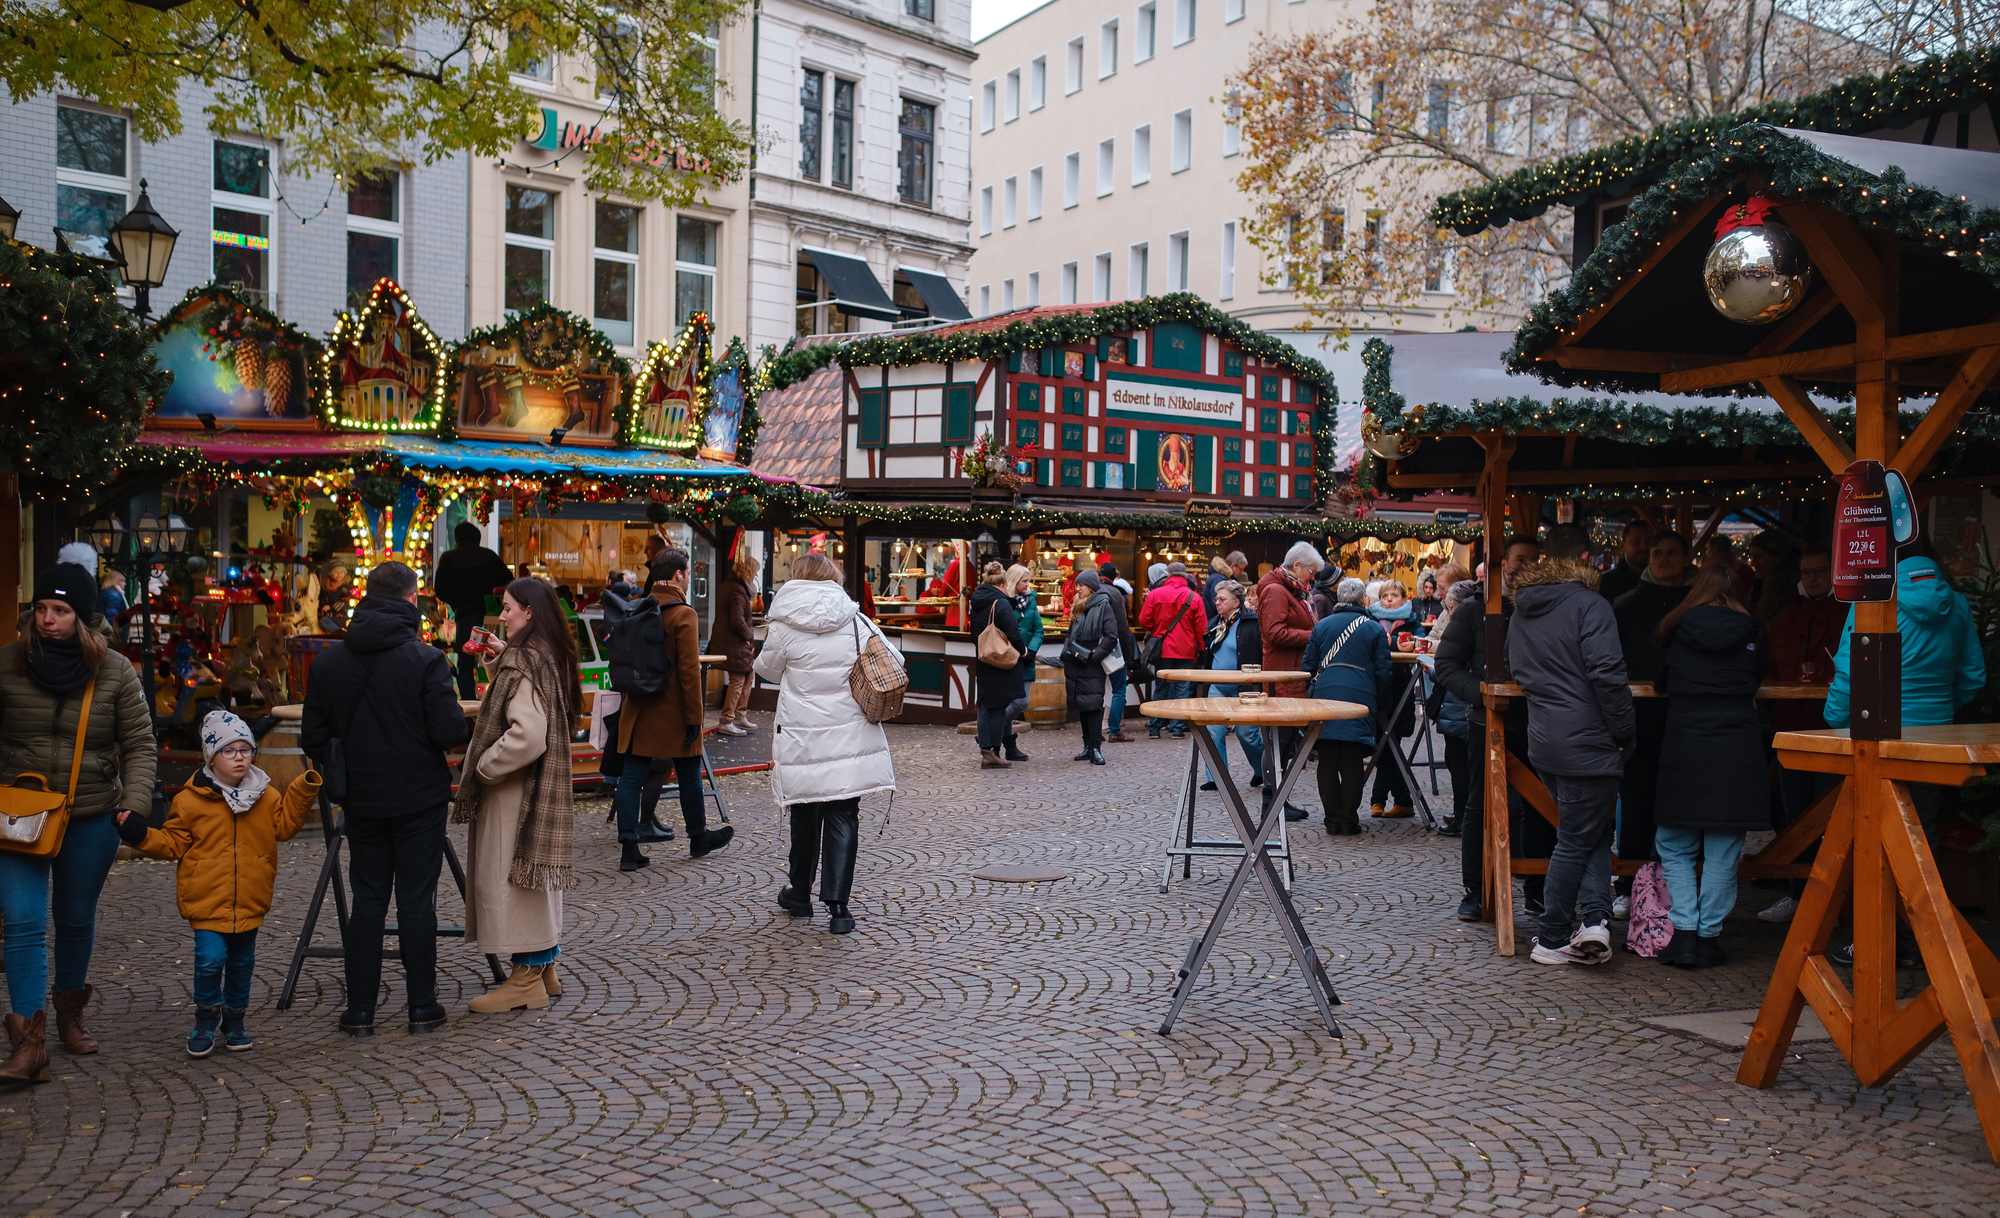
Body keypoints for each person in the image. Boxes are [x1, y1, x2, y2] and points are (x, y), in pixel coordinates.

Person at [0, 563, 156, 1085]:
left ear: (83, 618)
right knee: (22, 921)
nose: (47, 619)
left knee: (73, 918)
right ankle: (27, 1043)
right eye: (42, 609)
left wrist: (134, 806)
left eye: (61, 611)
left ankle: (68, 1012)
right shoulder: (7, 665)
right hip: (19, 816)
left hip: (90, 815)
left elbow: (139, 745)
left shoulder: (114, 671)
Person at [300, 561, 470, 1037]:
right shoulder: (426, 660)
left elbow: (313, 736)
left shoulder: (329, 663)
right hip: (419, 798)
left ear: (365, 597)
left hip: (362, 799)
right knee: (417, 900)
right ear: (412, 601)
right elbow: (450, 732)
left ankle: (360, 1011)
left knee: (368, 900)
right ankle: (422, 1006)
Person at [114, 711, 320, 1054]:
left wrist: (302, 788)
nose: (239, 757)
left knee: (242, 964)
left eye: (245, 749)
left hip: (251, 899)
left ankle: (235, 1019)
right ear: (211, 756)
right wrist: (139, 835)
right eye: (229, 750)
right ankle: (206, 1016)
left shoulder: (265, 795)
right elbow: (172, 844)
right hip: (207, 899)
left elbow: (284, 827)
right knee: (210, 960)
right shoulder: (190, 801)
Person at [1823, 542, 1986, 968]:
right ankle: (1922, 944)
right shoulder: (1958, 605)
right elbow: (1972, 677)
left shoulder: (1874, 601)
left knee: (1872, 836)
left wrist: (1832, 720)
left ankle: (1879, 941)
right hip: (1935, 739)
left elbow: (1851, 675)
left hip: (1878, 735)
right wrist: (1938, 712)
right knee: (1920, 836)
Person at [1507, 524, 1635, 967]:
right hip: (1588, 740)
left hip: (1546, 738)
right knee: (1576, 839)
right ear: (1585, 559)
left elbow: (1518, 669)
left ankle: (1596, 922)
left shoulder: (1525, 609)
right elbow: (1608, 674)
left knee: (1591, 831)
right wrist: (1623, 733)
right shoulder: (1590, 604)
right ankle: (1552, 935)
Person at [451, 578, 579, 1012]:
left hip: (515, 792)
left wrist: (485, 765)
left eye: (507, 609)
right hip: (537, 788)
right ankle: (544, 967)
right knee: (531, 879)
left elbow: (527, 735)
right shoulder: (545, 652)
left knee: (514, 880)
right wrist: (498, 657)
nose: (501, 616)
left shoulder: (526, 658)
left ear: (529, 611)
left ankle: (526, 978)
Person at [754, 552, 897, 934]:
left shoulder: (783, 624)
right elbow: (893, 659)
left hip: (804, 737)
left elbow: (765, 670)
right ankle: (839, 908)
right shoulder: (855, 619)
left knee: (805, 813)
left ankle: (799, 894)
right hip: (849, 734)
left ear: (798, 578)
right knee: (843, 813)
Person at [1649, 566, 1768, 967]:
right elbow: (1757, 678)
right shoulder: (1752, 629)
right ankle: (1708, 937)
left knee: (1674, 842)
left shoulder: (1674, 626)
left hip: (1686, 740)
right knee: (1724, 845)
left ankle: (1684, 934)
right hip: (1737, 743)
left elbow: (1661, 680)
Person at [611, 547, 731, 871]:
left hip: (637, 708)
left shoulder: (638, 607)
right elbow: (690, 672)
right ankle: (698, 836)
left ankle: (628, 848)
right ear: (679, 575)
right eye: (688, 573)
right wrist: (696, 717)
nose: (689, 579)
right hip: (673, 710)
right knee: (690, 773)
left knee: (631, 776)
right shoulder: (684, 614)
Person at [1433, 574, 1535, 922]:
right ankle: (1476, 889)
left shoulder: (1551, 607)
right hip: (1487, 721)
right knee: (1480, 803)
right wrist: (1485, 696)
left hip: (1543, 720)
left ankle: (1536, 886)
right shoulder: (1474, 610)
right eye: (1516, 561)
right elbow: (1446, 665)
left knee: (1540, 803)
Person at [1758, 545, 1844, 922]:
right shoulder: (1785, 616)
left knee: (1831, 814)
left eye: (1820, 570)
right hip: (1791, 726)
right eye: (1807, 571)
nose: (1812, 577)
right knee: (1796, 815)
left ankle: (1833, 897)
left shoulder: (1851, 612)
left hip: (1833, 729)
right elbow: (1770, 667)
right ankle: (1797, 893)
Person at [1610, 529, 1692, 914]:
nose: (1662, 559)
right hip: (1639, 718)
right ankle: (1628, 883)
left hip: (1688, 719)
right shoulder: (1626, 607)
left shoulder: (1700, 605)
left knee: (1684, 804)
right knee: (1637, 803)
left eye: (1671, 553)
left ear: (1686, 557)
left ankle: (1679, 886)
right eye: (1656, 552)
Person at [1301, 578, 1391, 836]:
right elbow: (1383, 672)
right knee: (1352, 760)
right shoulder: (1373, 629)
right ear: (1365, 601)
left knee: (1327, 758)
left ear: (1339, 599)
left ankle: (1332, 820)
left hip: (1325, 696)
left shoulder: (1322, 626)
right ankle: (1349, 821)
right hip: (1359, 697)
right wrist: (1379, 702)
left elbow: (1308, 667)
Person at [1258, 542, 1325, 822]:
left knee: (1284, 745)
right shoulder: (1276, 591)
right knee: (1278, 742)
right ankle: (1271, 804)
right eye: (1312, 571)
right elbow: (1274, 633)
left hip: (1290, 675)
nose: (1313, 578)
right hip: (1281, 677)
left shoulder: (1292, 590)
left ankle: (1278, 801)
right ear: (1296, 566)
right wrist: (1314, 635)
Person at [432, 521, 514, 699]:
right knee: (496, 656)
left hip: (465, 615)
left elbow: (440, 589)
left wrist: (456, 600)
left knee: (466, 663)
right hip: (492, 616)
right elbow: (509, 580)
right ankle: (498, 700)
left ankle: (469, 704)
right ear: (477, 538)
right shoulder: (489, 556)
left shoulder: (448, 558)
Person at [1199, 580, 1263, 792]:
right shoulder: (1216, 622)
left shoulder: (1251, 622)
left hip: (1244, 687)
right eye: (1216, 599)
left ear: (1236, 602)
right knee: (1214, 732)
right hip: (1217, 686)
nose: (1217, 602)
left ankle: (1263, 769)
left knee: (1247, 734)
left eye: (1222, 599)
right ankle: (1217, 777)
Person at [1137, 559, 1207, 740]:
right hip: (1186, 650)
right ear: (1185, 576)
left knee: (1160, 688)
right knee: (1182, 690)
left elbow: (1144, 620)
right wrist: (1201, 648)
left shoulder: (1155, 594)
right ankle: (1177, 728)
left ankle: (1154, 727)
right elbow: (1201, 628)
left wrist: (1157, 627)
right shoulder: (1194, 597)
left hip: (1162, 649)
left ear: (1168, 576)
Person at [1367, 579, 1418, 818]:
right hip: (1376, 686)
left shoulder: (1412, 620)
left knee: (1388, 740)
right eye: (1385, 595)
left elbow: (1419, 645)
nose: (1389, 599)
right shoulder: (1369, 620)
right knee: (1384, 741)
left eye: (1394, 595)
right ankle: (1394, 799)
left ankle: (1387, 800)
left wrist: (1400, 643)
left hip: (1400, 687)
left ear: (1404, 598)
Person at [968, 562, 1024, 770]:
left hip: (983, 658)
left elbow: (974, 632)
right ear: (1002, 584)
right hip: (1000, 660)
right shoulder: (1001, 603)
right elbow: (1013, 632)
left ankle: (986, 751)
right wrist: (1022, 650)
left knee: (984, 705)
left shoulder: (976, 601)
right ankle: (994, 752)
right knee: (998, 707)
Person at [1062, 570, 1117, 765]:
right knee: (1082, 706)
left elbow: (1111, 636)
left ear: (1091, 587)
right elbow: (1071, 632)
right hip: (1076, 661)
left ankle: (1096, 747)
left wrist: (1095, 656)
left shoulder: (1103, 605)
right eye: (1077, 585)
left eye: (1081, 585)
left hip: (1092, 664)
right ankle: (1086, 746)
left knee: (1093, 706)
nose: (1077, 589)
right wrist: (1067, 649)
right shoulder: (1078, 604)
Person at [711, 554, 761, 737]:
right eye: (754, 571)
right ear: (748, 571)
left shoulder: (734, 586)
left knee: (749, 675)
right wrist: (749, 636)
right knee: (738, 679)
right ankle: (727, 719)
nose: (755, 575)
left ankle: (740, 714)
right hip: (733, 643)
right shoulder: (736, 590)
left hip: (733, 641)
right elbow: (737, 619)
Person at [1004, 564, 1044, 761]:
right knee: (1011, 701)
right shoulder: (1004, 602)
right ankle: (1009, 746)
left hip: (1026, 659)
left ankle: (991, 731)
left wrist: (1032, 650)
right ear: (1014, 581)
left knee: (1022, 701)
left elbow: (1038, 629)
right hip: (1009, 658)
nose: (1028, 585)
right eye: (1025, 581)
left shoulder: (1031, 602)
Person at [1097, 562, 1139, 743]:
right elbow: (1122, 627)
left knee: (1095, 690)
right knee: (1119, 689)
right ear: (1114, 576)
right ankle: (1114, 730)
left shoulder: (1090, 591)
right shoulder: (1115, 593)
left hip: (1092, 648)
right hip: (1113, 648)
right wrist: (1128, 655)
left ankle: (1094, 730)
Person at [1599, 521, 1653, 604]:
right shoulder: (1605, 583)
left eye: (1648, 541)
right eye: (1637, 541)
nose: (1644, 547)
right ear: (1623, 547)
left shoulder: (1660, 579)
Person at [317, 564, 353, 633]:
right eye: (336, 572)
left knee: (323, 621)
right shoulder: (325, 586)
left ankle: (340, 633)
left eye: (341, 572)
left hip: (341, 617)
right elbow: (321, 600)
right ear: (331, 573)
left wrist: (330, 607)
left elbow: (347, 601)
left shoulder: (346, 586)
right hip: (327, 616)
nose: (339, 574)